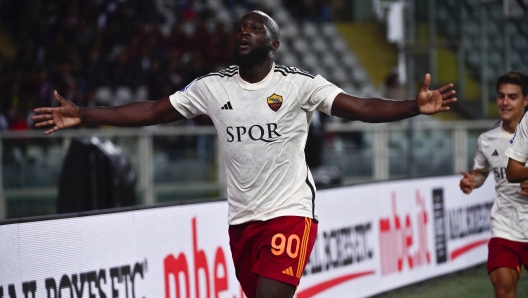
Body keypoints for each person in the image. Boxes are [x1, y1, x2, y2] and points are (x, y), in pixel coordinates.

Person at [32, 11, 456, 298]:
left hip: (291, 211)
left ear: (274, 42)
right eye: (239, 28)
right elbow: (153, 110)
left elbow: (361, 107)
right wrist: (84, 114)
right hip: (242, 220)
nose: (242, 32)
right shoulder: (213, 87)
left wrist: (414, 107)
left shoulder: (299, 84)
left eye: (253, 28)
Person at [459, 71, 528, 298]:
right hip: (505, 227)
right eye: (500, 96)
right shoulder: (487, 139)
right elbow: (481, 173)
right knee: (502, 288)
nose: (505, 102)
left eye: (512, 97)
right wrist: (473, 181)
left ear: (525, 100)